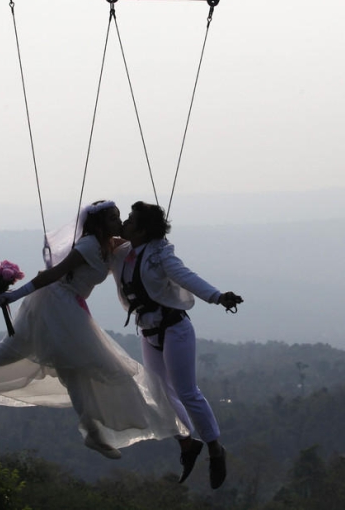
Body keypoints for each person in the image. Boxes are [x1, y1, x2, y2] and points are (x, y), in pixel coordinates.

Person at [0, 200, 186, 459]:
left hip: (71, 305)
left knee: (66, 366)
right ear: (98, 223)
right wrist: (14, 295)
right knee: (17, 352)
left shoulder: (112, 243)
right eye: (113, 218)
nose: (120, 223)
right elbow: (51, 274)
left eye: (120, 218)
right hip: (57, 303)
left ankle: (93, 432)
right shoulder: (87, 245)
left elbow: (145, 243)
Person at [112, 201, 243, 489]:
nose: (125, 223)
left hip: (174, 328)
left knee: (186, 391)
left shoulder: (160, 255)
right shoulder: (122, 252)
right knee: (159, 393)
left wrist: (218, 297)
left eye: (131, 220)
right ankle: (187, 443)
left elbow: (186, 277)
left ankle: (214, 448)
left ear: (143, 230)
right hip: (148, 331)